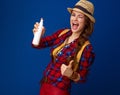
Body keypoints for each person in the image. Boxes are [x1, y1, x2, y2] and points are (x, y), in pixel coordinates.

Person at [32, 0, 95, 95]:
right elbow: (40, 44)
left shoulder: (87, 48)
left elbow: (82, 78)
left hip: (59, 91)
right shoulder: (63, 33)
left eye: (80, 16)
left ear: (86, 22)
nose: (75, 19)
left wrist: (72, 74)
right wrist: (38, 36)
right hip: (44, 85)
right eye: (73, 15)